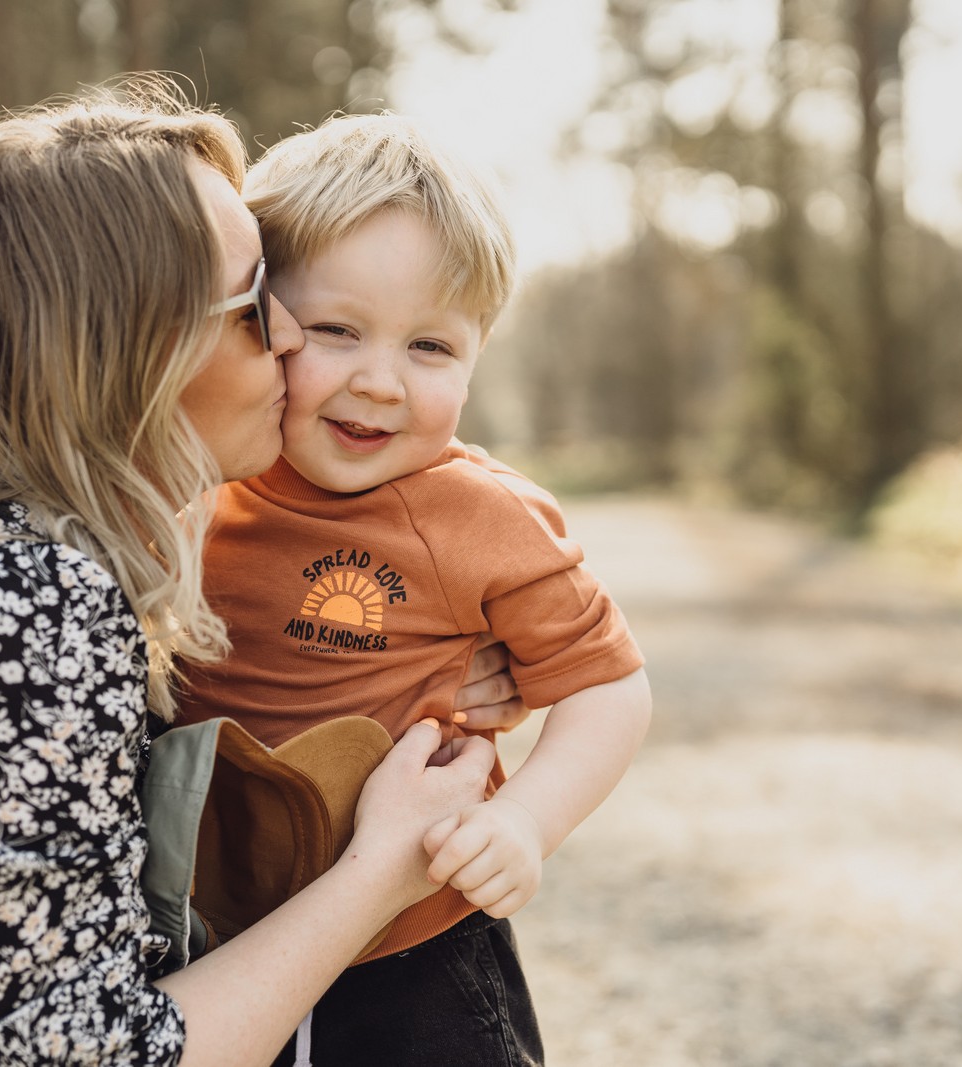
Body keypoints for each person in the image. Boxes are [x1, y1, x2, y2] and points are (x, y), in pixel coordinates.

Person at [0, 83, 530, 1067]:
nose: (293, 337)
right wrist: (383, 868)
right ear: (135, 348)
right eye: (257, 304)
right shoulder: (11, 609)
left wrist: (376, 659)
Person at [176, 113, 653, 1066]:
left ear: (477, 358)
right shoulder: (202, 480)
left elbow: (610, 687)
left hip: (411, 946)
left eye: (430, 348)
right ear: (261, 320)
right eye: (337, 331)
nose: (382, 381)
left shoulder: (476, 515)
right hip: (211, 936)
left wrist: (523, 819)